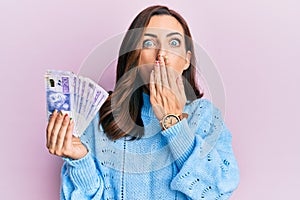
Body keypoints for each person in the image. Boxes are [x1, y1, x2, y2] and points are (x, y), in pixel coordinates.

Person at [46, 5, 240, 200]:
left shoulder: (205, 116)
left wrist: (173, 123)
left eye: (173, 42)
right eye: (148, 43)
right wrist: (80, 161)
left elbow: (217, 193)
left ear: (186, 60)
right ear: (134, 56)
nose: (161, 54)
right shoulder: (100, 118)